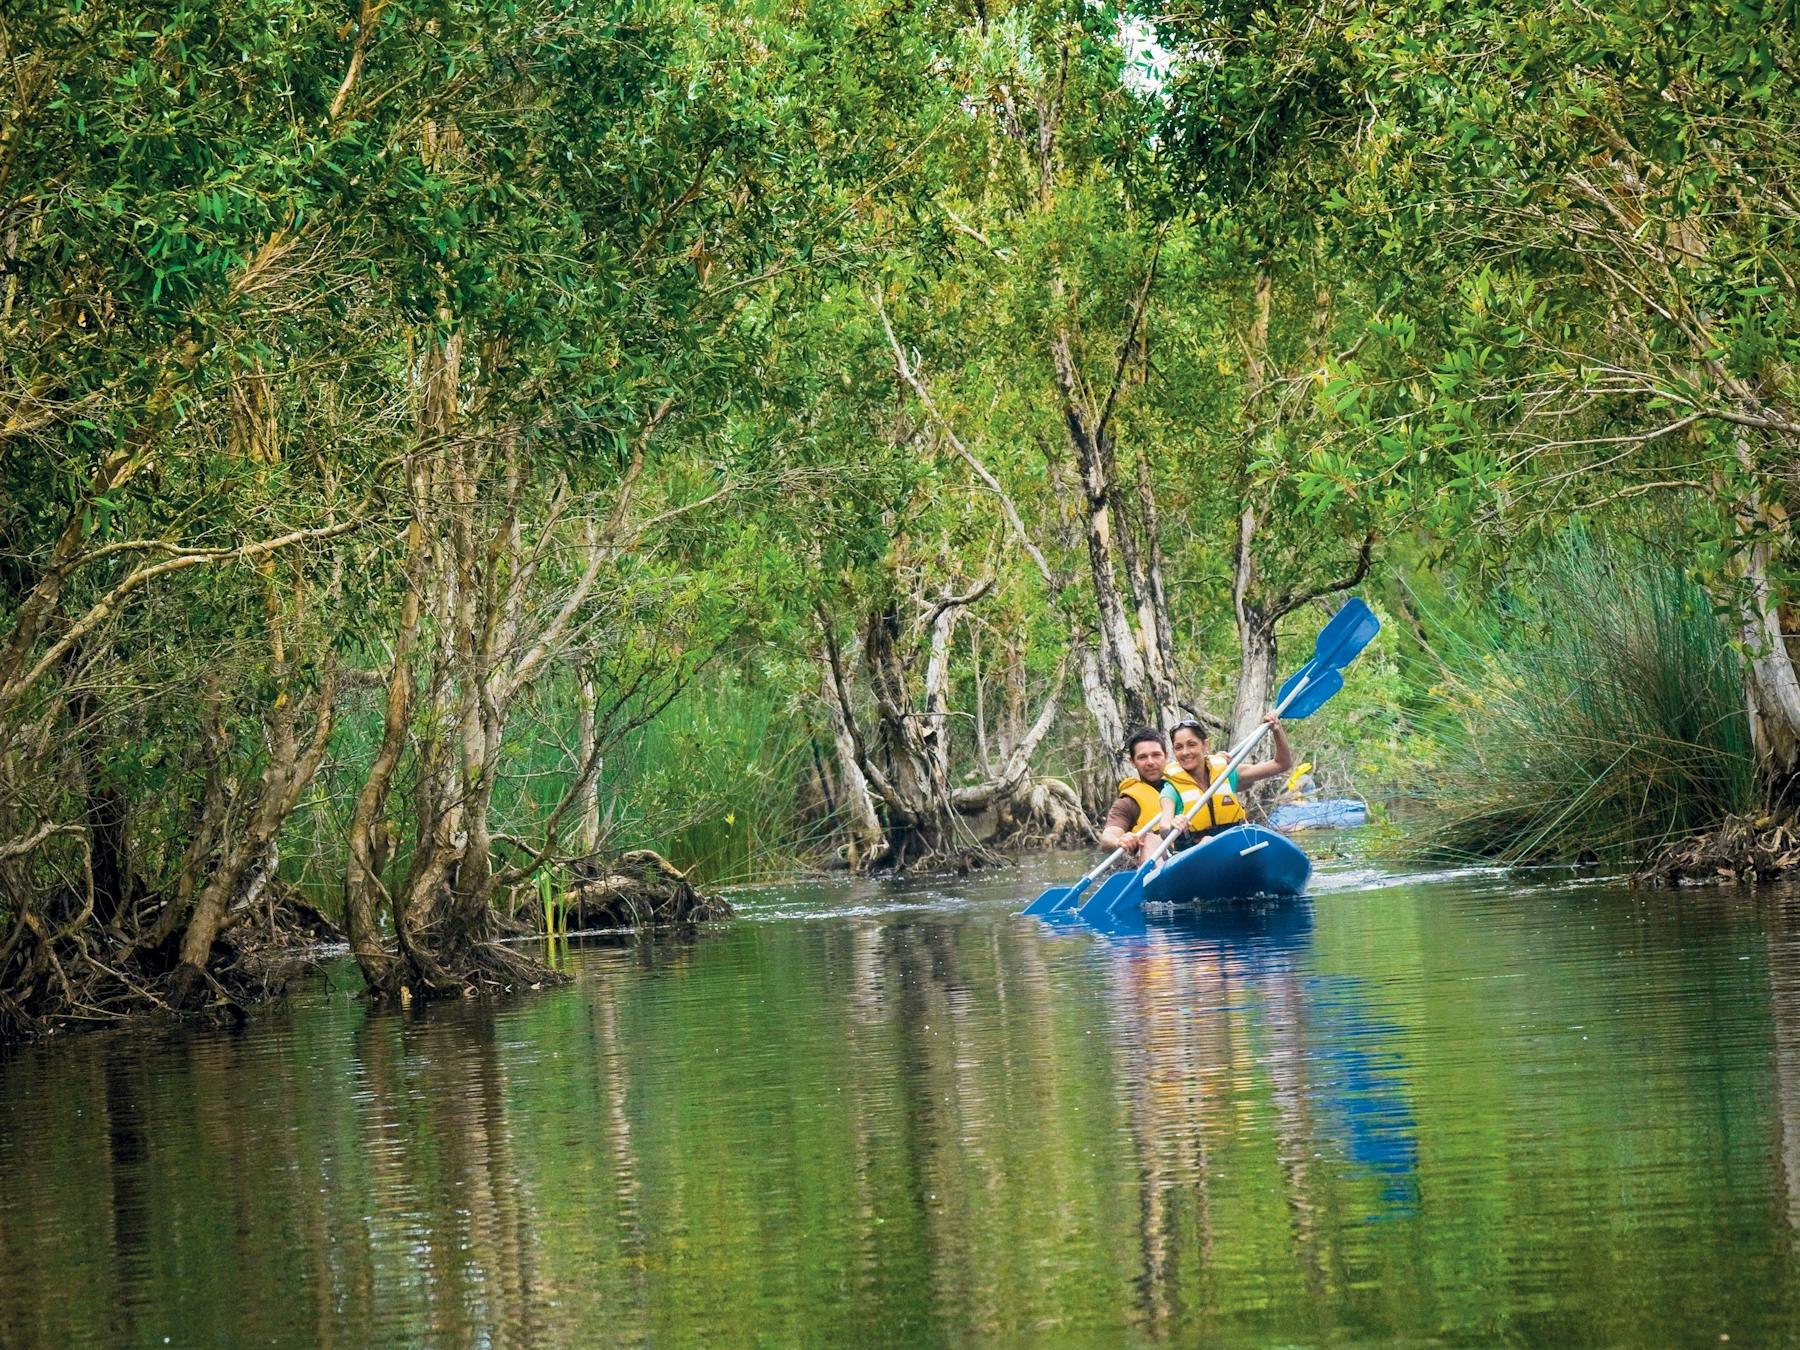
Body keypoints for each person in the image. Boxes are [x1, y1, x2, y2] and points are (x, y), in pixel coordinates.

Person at [1163, 715, 1294, 848]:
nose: (1185, 752)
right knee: (1207, 840)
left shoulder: (1226, 774)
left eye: (1192, 744)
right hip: (1195, 854)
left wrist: (1277, 730)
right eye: (1178, 747)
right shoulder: (1171, 788)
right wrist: (1173, 823)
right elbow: (1164, 825)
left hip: (1233, 846)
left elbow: (1282, 764)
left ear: (1205, 745)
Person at [1098, 728, 1199, 860]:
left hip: (1196, 852)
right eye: (1142, 757)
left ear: (1166, 756)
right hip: (1161, 862)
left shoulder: (1191, 781)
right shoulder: (1128, 802)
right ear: (1133, 762)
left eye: (1156, 755)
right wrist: (1119, 841)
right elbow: (1108, 837)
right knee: (1150, 840)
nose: (1150, 762)